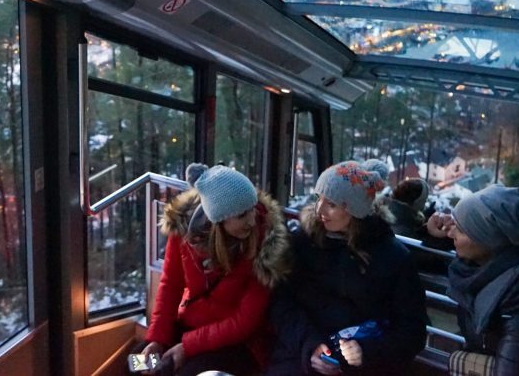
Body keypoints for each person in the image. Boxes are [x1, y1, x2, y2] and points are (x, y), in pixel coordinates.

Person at [267, 160, 428, 375]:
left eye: (332, 204)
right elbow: (282, 304)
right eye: (318, 198)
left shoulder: (393, 258)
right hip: (300, 355)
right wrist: (310, 345)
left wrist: (367, 352)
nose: (319, 209)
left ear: (355, 210)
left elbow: (412, 330)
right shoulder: (303, 243)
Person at [141, 163, 291, 375]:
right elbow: (171, 285)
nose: (252, 221)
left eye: (252, 210)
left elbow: (245, 321)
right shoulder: (184, 233)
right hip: (189, 327)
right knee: (140, 363)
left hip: (237, 343)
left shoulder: (264, 246)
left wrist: (188, 346)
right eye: (241, 216)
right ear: (217, 221)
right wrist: (157, 338)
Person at [426, 184, 519, 376]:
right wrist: (436, 235)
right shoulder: (512, 259)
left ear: (487, 241)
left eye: (461, 230)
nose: (451, 233)